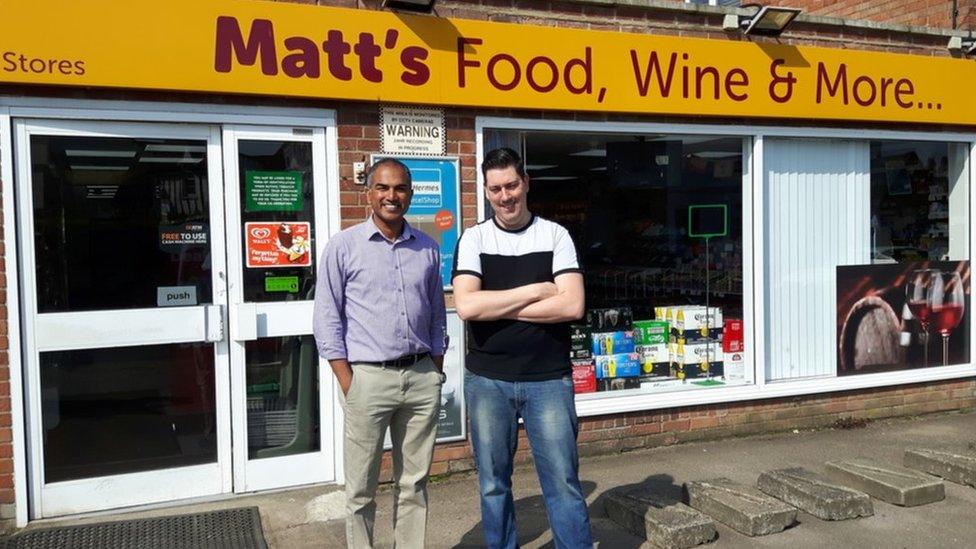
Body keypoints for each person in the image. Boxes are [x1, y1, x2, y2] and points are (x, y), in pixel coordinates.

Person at [452, 147, 593, 548]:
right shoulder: (474, 238)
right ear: (485, 190)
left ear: (526, 183)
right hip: (487, 380)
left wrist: (496, 306)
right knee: (493, 484)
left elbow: (572, 305)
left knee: (563, 482)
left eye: (511, 185)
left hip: (548, 379)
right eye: (495, 188)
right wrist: (534, 291)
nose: (505, 196)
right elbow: (466, 306)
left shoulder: (555, 235)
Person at [313, 158, 447, 549]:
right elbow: (326, 319)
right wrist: (348, 381)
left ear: (410, 194)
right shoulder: (343, 246)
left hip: (421, 377)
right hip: (366, 379)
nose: (392, 196)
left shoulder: (427, 247)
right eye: (383, 188)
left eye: (400, 188)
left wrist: (435, 369)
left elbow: (437, 313)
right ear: (369, 193)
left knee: (415, 483)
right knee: (360, 488)